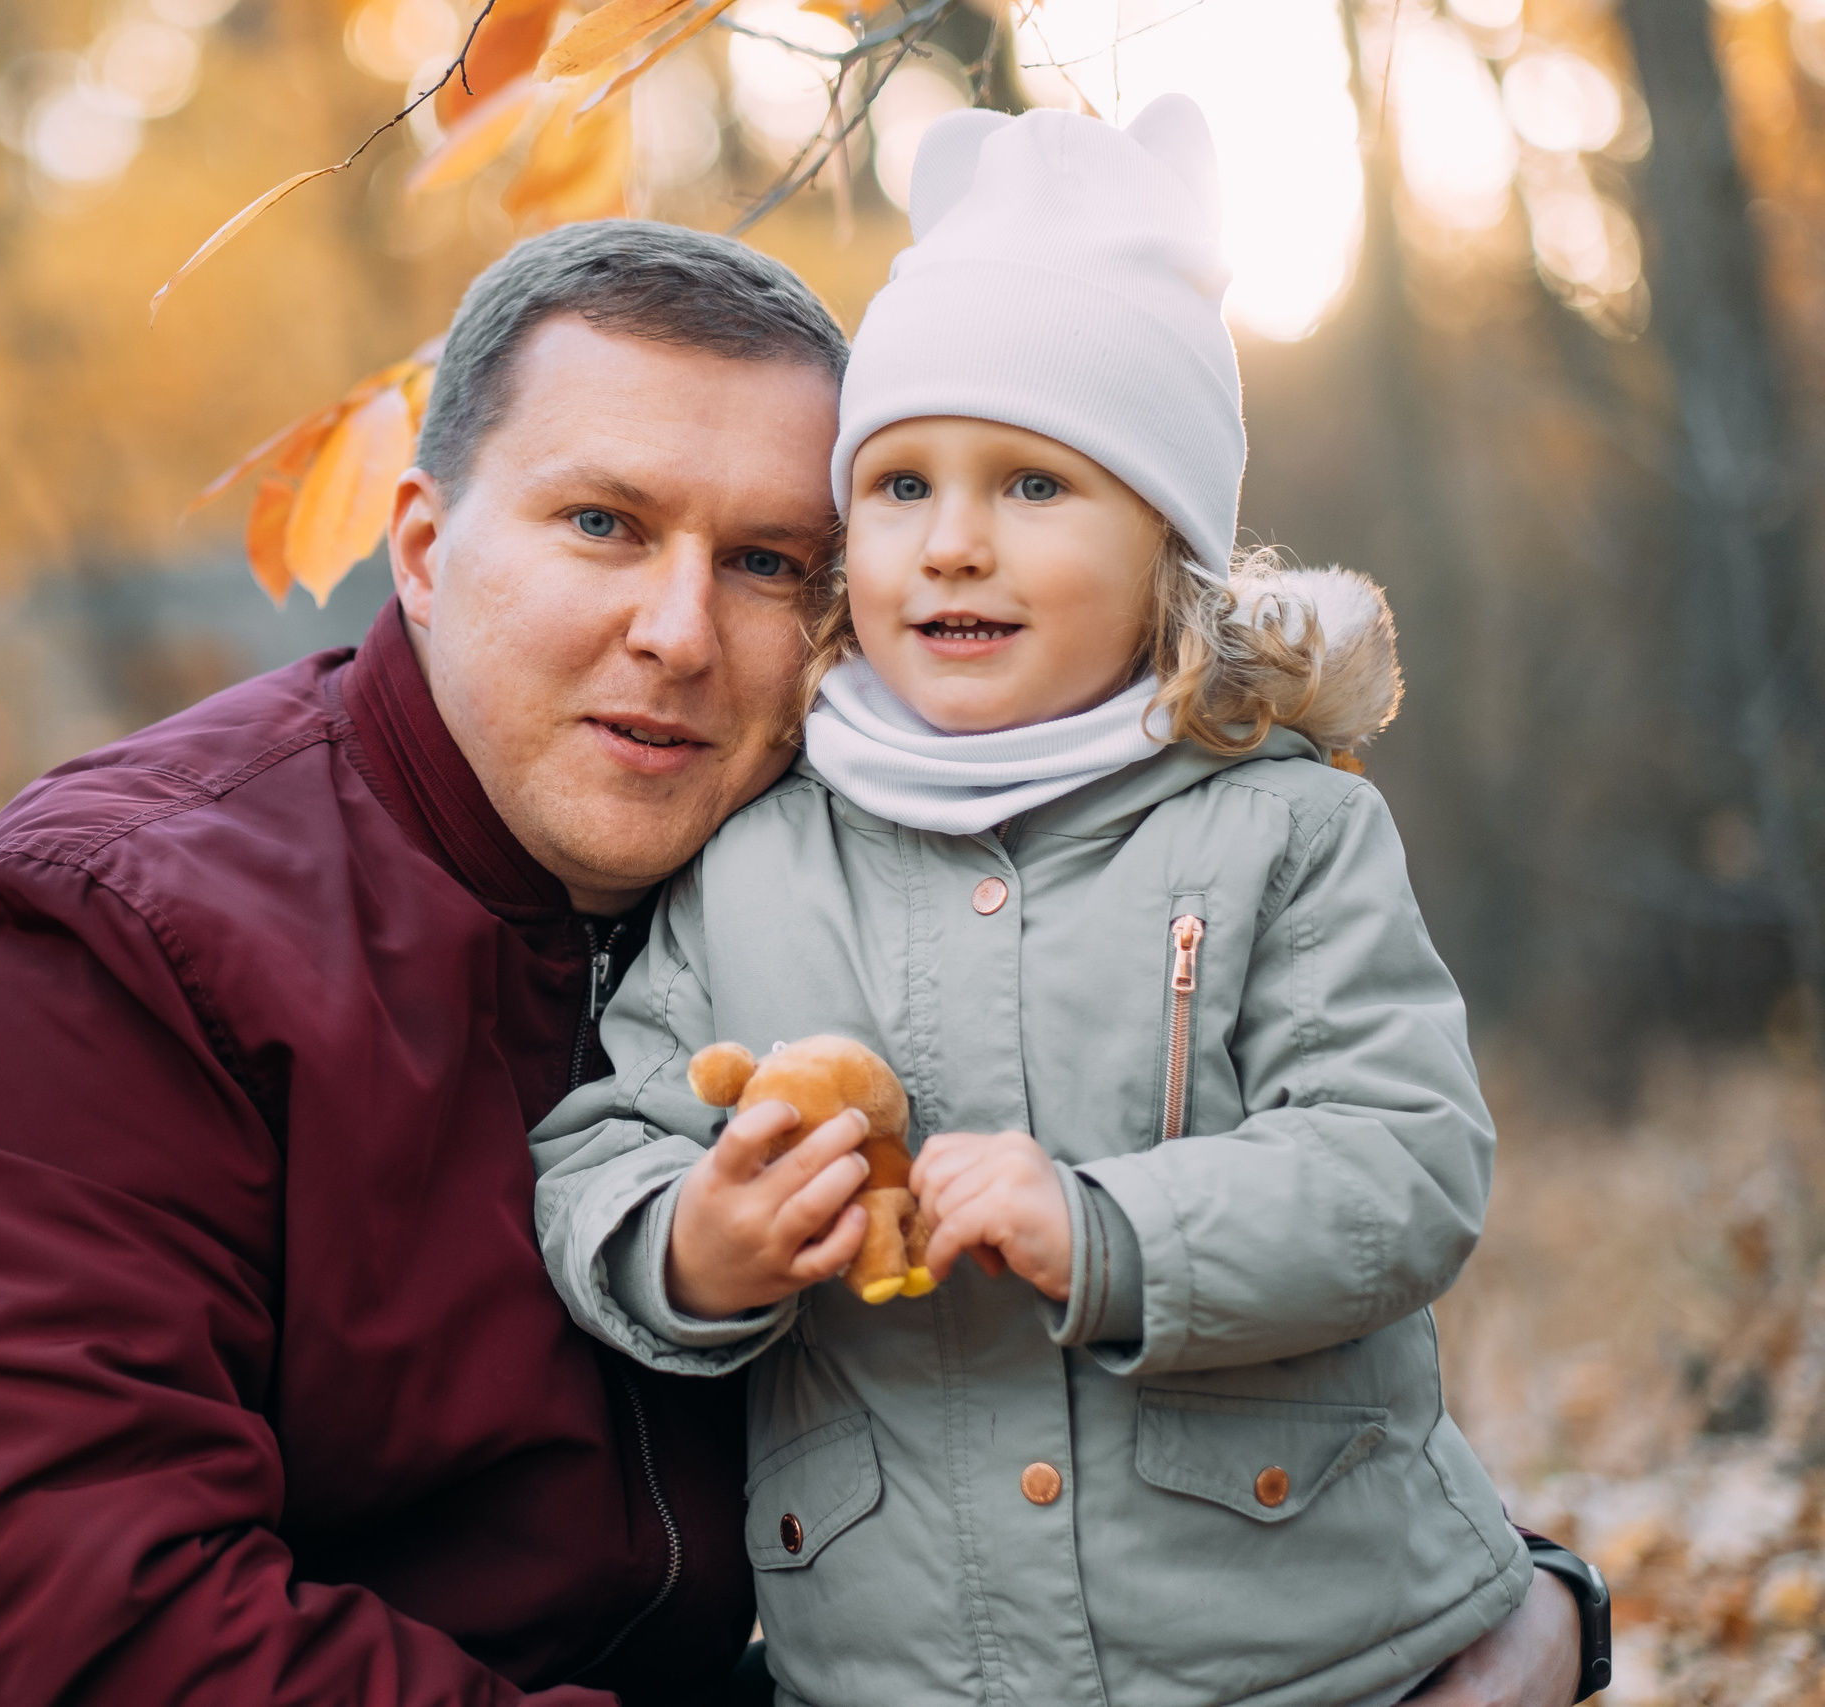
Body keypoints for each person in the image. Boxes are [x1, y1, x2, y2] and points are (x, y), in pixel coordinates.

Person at [0, 216, 1594, 1703]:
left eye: (767, 562)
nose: (677, 632)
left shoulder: (812, 859)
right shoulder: (101, 942)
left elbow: (1303, 1223)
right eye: (603, 525)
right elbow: (101, 1642)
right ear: (419, 547)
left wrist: (1501, 1618)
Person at [532, 103, 1585, 1707]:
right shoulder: (757, 857)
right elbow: (600, 1137)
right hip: (904, 1668)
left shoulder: (1281, 831)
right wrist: (694, 1241)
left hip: (1304, 1645)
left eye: (1032, 483)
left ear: (1164, 544)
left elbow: (1400, 1160)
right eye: (897, 486)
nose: (952, 543)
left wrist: (1112, 1230)